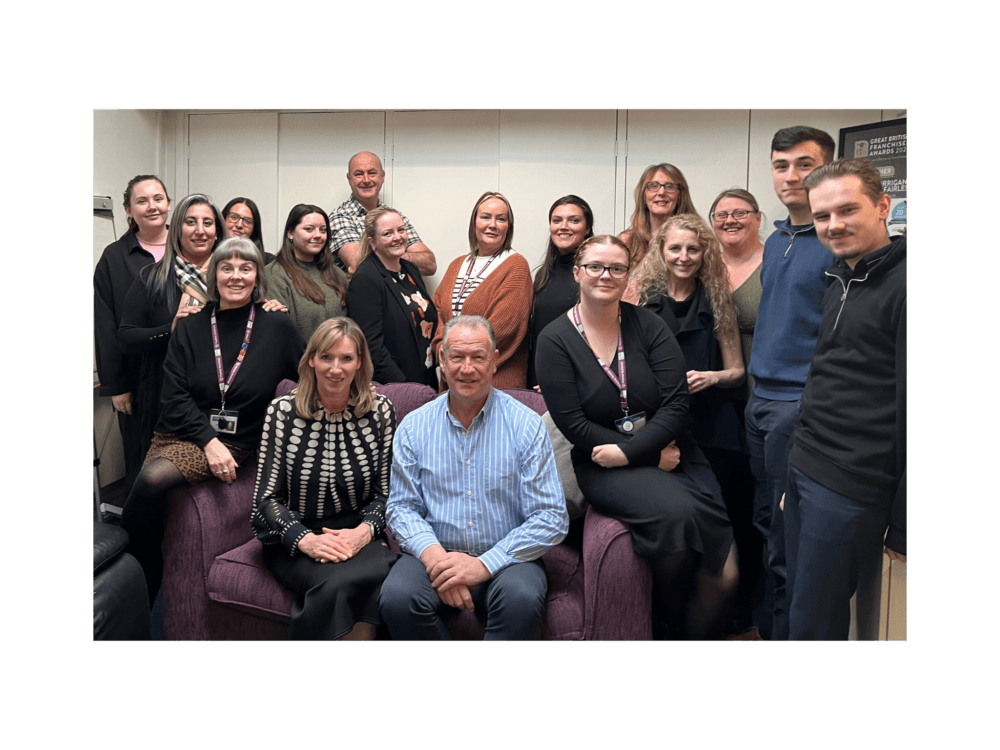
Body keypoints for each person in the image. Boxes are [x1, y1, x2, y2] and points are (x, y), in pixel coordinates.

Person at [536, 235, 738, 640]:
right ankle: (667, 630)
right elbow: (574, 424)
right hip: (602, 462)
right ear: (577, 273)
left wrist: (633, 452)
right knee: (678, 520)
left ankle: (687, 637)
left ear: (629, 276)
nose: (604, 275)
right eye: (594, 266)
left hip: (675, 451)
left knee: (728, 572)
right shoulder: (554, 339)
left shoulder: (648, 324)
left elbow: (677, 404)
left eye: (616, 268)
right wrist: (641, 456)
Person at [120, 237, 305, 606]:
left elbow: (306, 377)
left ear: (257, 276)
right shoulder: (189, 325)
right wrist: (209, 442)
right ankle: (134, 586)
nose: (236, 276)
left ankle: (131, 577)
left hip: (240, 440)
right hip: (180, 430)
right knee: (150, 499)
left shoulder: (276, 325)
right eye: (226, 268)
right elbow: (173, 397)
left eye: (245, 268)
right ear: (214, 275)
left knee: (154, 478)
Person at [379, 316, 569, 640]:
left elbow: (551, 517)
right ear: (442, 359)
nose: (467, 368)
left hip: (508, 557)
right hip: (435, 552)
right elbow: (401, 508)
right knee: (397, 598)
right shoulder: (413, 426)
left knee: (522, 599)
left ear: (494, 361)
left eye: (478, 357)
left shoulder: (527, 425)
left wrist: (481, 566)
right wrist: (438, 561)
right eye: (457, 357)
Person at [783, 159, 906, 640]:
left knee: (814, 623)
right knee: (803, 605)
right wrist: (794, 466)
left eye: (847, 210)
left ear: (883, 206)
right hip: (807, 464)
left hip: (853, 484)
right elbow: (829, 373)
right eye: (821, 216)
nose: (833, 225)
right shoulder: (841, 275)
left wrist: (905, 520)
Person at [634, 214, 756, 637]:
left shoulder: (717, 299)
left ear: (704, 252)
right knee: (675, 543)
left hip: (713, 432)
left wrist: (711, 377)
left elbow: (738, 371)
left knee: (721, 549)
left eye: (693, 248)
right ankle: (665, 628)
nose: (684, 257)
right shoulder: (641, 300)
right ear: (661, 252)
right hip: (662, 434)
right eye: (675, 248)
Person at [744, 125, 836, 641]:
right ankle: (766, 628)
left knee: (787, 536)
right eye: (782, 165)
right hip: (760, 402)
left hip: (797, 406)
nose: (792, 176)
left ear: (827, 167)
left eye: (805, 164)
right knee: (764, 523)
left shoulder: (834, 241)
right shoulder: (779, 237)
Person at [252, 318, 398, 641]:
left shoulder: (382, 412)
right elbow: (265, 501)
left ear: (360, 363)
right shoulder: (281, 412)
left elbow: (388, 494)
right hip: (295, 537)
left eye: (346, 358)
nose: (336, 368)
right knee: (345, 583)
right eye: (326, 357)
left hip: (360, 534)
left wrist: (361, 534)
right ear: (311, 360)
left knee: (369, 575)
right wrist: (307, 540)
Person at [119, 193, 226, 457]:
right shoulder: (151, 278)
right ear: (177, 228)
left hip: (222, 396)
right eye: (190, 222)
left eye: (208, 223)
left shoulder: (232, 277)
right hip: (164, 395)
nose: (200, 231)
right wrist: (170, 329)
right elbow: (126, 338)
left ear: (218, 231)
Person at [94, 175, 171, 494]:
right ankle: (145, 540)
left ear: (168, 203)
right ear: (128, 210)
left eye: (158, 198)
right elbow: (106, 327)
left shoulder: (189, 247)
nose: (152, 206)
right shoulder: (115, 257)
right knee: (143, 461)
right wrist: (117, 386)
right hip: (137, 379)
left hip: (186, 375)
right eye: (142, 201)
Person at [430, 191, 533, 389]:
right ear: (474, 223)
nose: (492, 225)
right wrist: (445, 357)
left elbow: (504, 329)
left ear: (508, 227)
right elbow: (439, 316)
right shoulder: (457, 264)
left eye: (500, 219)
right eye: (485, 217)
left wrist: (455, 359)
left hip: (496, 383)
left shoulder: (516, 266)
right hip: (453, 381)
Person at [345, 207, 438, 387]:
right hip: (395, 386)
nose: (397, 237)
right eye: (388, 233)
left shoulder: (411, 270)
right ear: (373, 241)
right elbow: (370, 348)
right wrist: (404, 388)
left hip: (426, 379)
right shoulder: (366, 279)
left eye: (401, 230)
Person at [328, 151, 436, 276]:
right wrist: (397, 254)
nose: (366, 180)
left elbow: (429, 264)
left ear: (382, 176)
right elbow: (360, 265)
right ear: (349, 179)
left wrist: (386, 255)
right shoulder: (340, 217)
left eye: (372, 173)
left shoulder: (394, 217)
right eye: (359, 174)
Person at [527, 195, 595, 388]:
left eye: (574, 220)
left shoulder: (593, 272)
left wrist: (562, 378)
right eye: (557, 220)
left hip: (575, 380)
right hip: (539, 377)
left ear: (587, 228)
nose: (563, 226)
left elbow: (597, 335)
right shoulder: (543, 273)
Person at [709, 188, 765, 397]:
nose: (730, 220)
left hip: (761, 391)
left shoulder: (775, 264)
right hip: (711, 394)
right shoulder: (703, 267)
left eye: (740, 213)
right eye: (721, 215)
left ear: (758, 219)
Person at [265, 204, 348, 340]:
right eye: (309, 229)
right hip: (300, 359)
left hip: (338, 357)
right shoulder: (273, 274)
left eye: (323, 230)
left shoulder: (337, 274)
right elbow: (277, 332)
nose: (318, 235)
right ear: (290, 233)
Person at [619, 163, 699, 303]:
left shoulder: (697, 239)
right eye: (653, 186)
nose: (661, 192)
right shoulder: (628, 241)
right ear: (644, 194)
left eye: (670, 187)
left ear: (680, 195)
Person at [222, 197, 274, 264]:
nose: (239, 225)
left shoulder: (269, 263)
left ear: (254, 228)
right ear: (223, 219)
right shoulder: (209, 256)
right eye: (234, 217)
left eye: (247, 221)